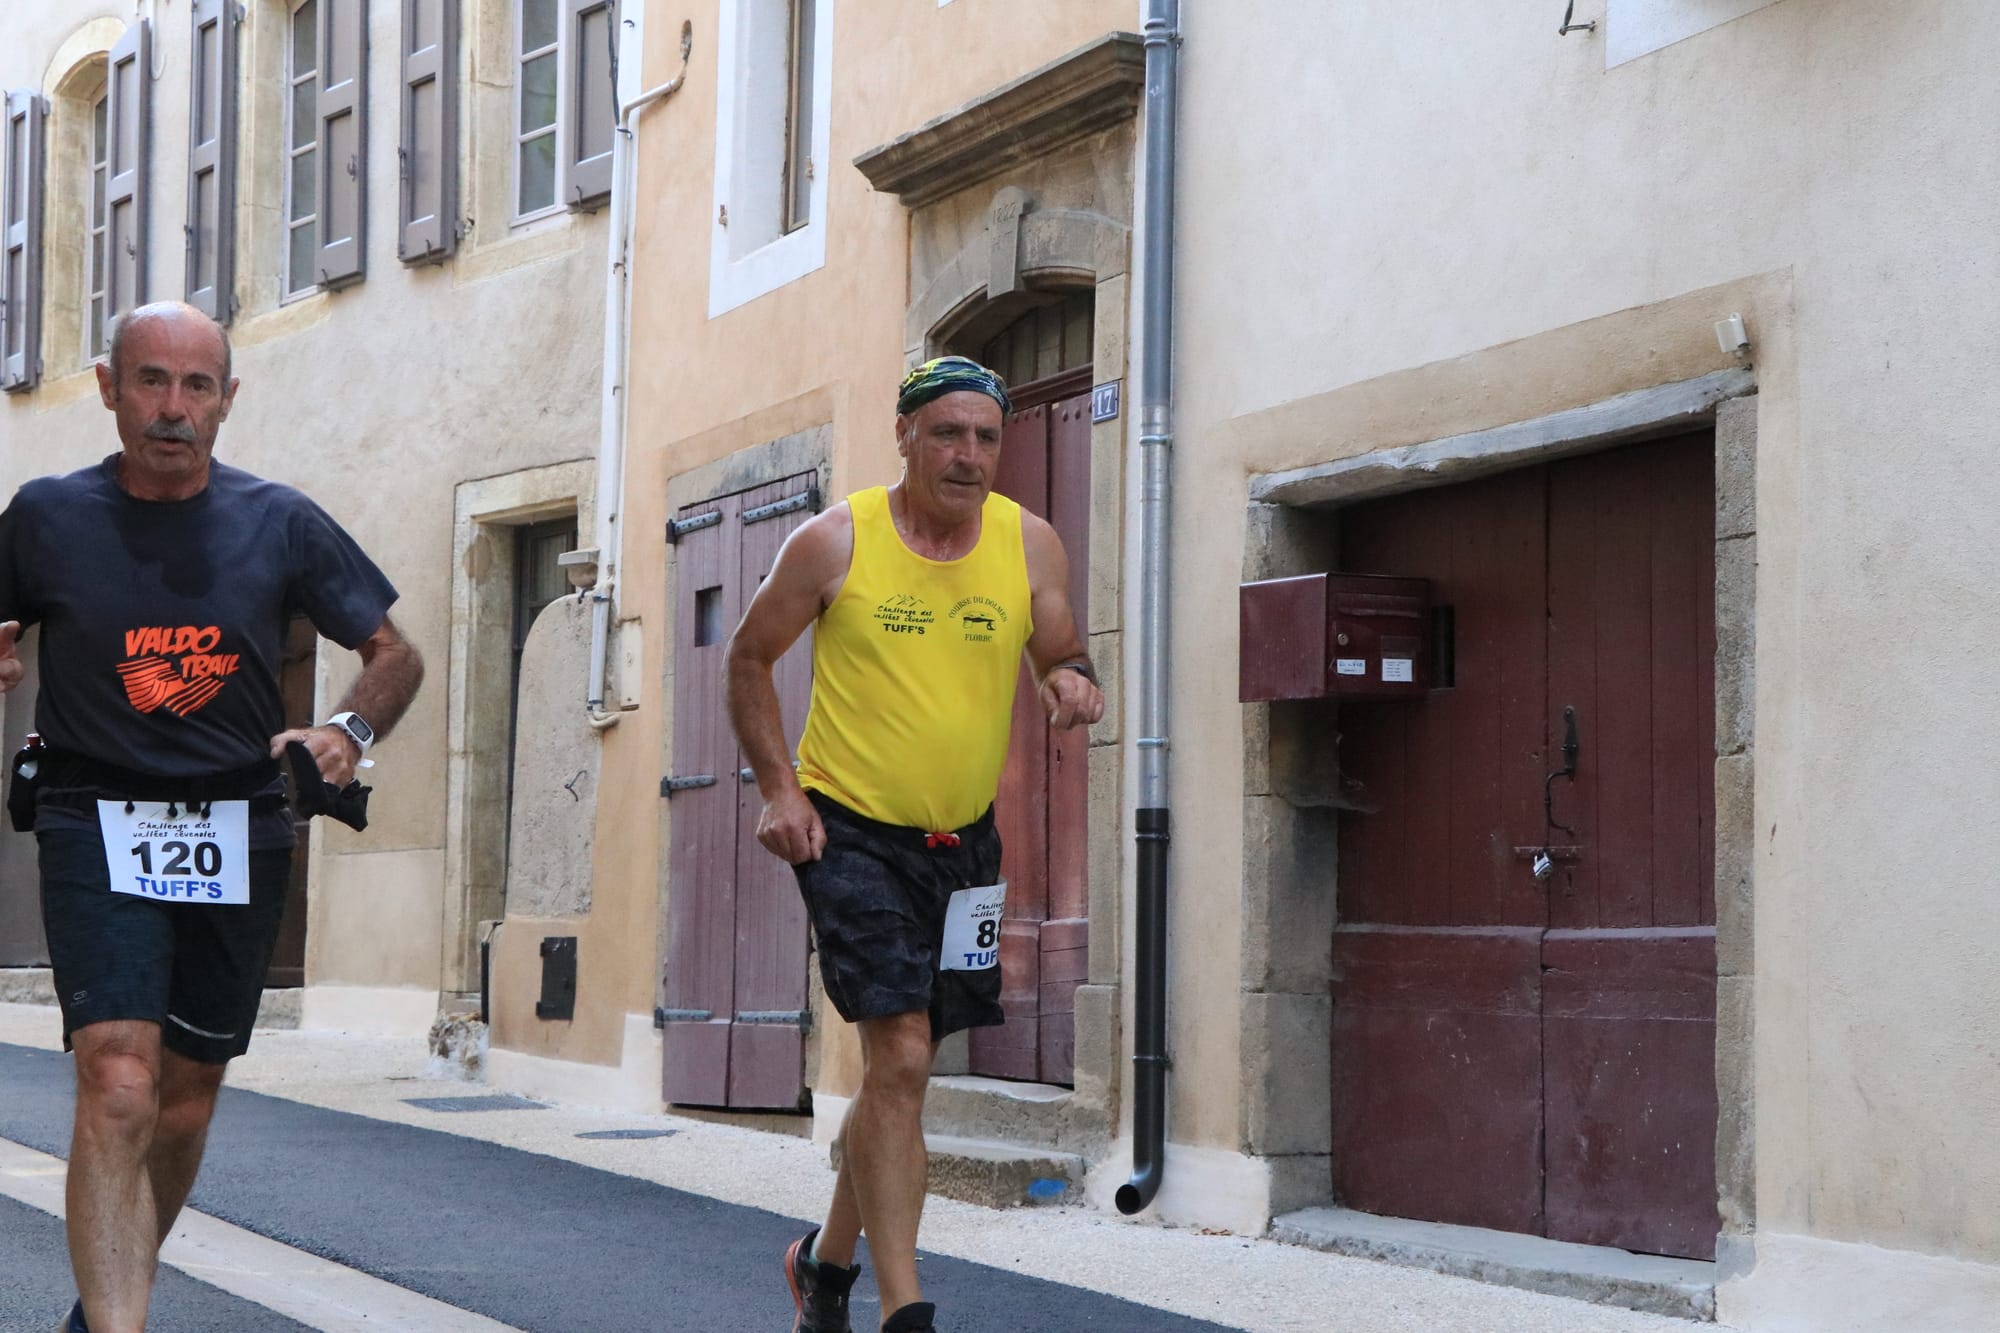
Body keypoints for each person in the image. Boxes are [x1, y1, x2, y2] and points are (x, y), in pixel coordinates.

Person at [0, 302, 423, 1333]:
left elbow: (393, 654)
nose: (173, 407)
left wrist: (346, 730)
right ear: (109, 388)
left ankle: (101, 1307)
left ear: (227, 400)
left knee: (184, 1097)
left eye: (197, 386)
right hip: (93, 812)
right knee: (119, 1079)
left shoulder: (280, 520)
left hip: (237, 823)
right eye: (151, 380)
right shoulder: (46, 516)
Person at [727, 356, 1104, 1333]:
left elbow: (1059, 647)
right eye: (946, 433)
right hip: (849, 830)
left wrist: (1071, 679)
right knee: (896, 1049)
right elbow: (749, 656)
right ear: (904, 436)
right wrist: (779, 790)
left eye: (984, 436)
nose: (967, 454)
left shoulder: (1029, 543)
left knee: (905, 1066)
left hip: (964, 847)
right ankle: (907, 1310)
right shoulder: (834, 541)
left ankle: (823, 1267)